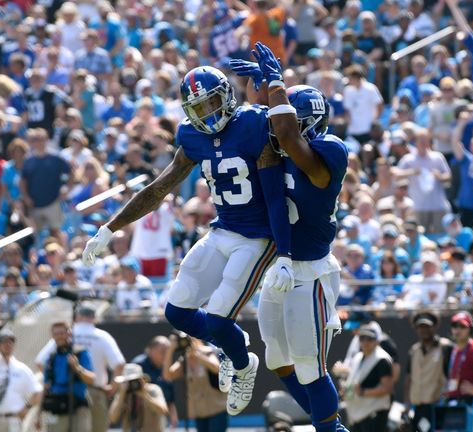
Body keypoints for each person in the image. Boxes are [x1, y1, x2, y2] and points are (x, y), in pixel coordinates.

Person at [82, 65, 294, 415]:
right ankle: (231, 346)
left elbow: (274, 197)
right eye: (198, 109)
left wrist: (284, 253)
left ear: (227, 96)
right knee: (177, 309)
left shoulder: (254, 124)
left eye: (211, 104)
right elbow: (158, 188)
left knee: (217, 317)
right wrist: (109, 228)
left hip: (258, 237)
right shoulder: (191, 137)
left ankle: (243, 366)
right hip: (223, 228)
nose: (208, 115)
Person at [231, 43, 349, 432]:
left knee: (311, 367)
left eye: (290, 122)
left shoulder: (328, 152)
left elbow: (286, 130)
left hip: (310, 273)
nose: (277, 129)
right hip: (278, 268)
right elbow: (272, 124)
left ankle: (328, 428)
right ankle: (327, 423)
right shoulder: (280, 149)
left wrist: (276, 82)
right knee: (277, 360)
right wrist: (262, 87)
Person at [35, 305, 125, 432]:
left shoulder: (62, 339)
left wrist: (57, 379)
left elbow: (39, 362)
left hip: (67, 398)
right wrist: (111, 389)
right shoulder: (102, 336)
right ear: (94, 318)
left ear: (77, 317)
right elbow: (119, 364)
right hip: (95, 391)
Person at [0, 329, 42, 432]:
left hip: (14, 420)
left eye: (10, 342)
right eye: (4, 342)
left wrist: (26, 408)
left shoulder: (21, 369)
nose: (7, 345)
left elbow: (37, 392)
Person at [40, 322, 95, 432]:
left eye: (62, 333)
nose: (59, 336)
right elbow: (46, 387)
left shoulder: (80, 353)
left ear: (69, 333)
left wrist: (77, 367)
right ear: (52, 336)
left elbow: (91, 379)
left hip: (77, 407)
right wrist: (39, 415)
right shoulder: (51, 359)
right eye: (56, 334)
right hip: (57, 408)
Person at [339, 323, 394, 432]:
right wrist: (346, 390)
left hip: (374, 416)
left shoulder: (382, 359)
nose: (365, 342)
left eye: (369, 339)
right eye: (362, 338)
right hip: (357, 416)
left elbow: (387, 388)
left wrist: (364, 392)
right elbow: (354, 384)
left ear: (377, 341)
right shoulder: (358, 357)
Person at [404, 311, 451, 432]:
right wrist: (407, 405)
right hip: (418, 407)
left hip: (437, 406)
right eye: (420, 327)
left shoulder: (445, 347)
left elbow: (452, 374)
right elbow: (409, 378)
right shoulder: (414, 350)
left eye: (427, 326)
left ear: (435, 327)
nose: (423, 330)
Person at [108, 363, 169, 432]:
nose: (132, 384)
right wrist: (122, 394)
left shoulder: (153, 390)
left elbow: (163, 411)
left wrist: (145, 395)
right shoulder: (124, 393)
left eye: (135, 380)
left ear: (142, 380)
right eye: (128, 381)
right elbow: (112, 418)